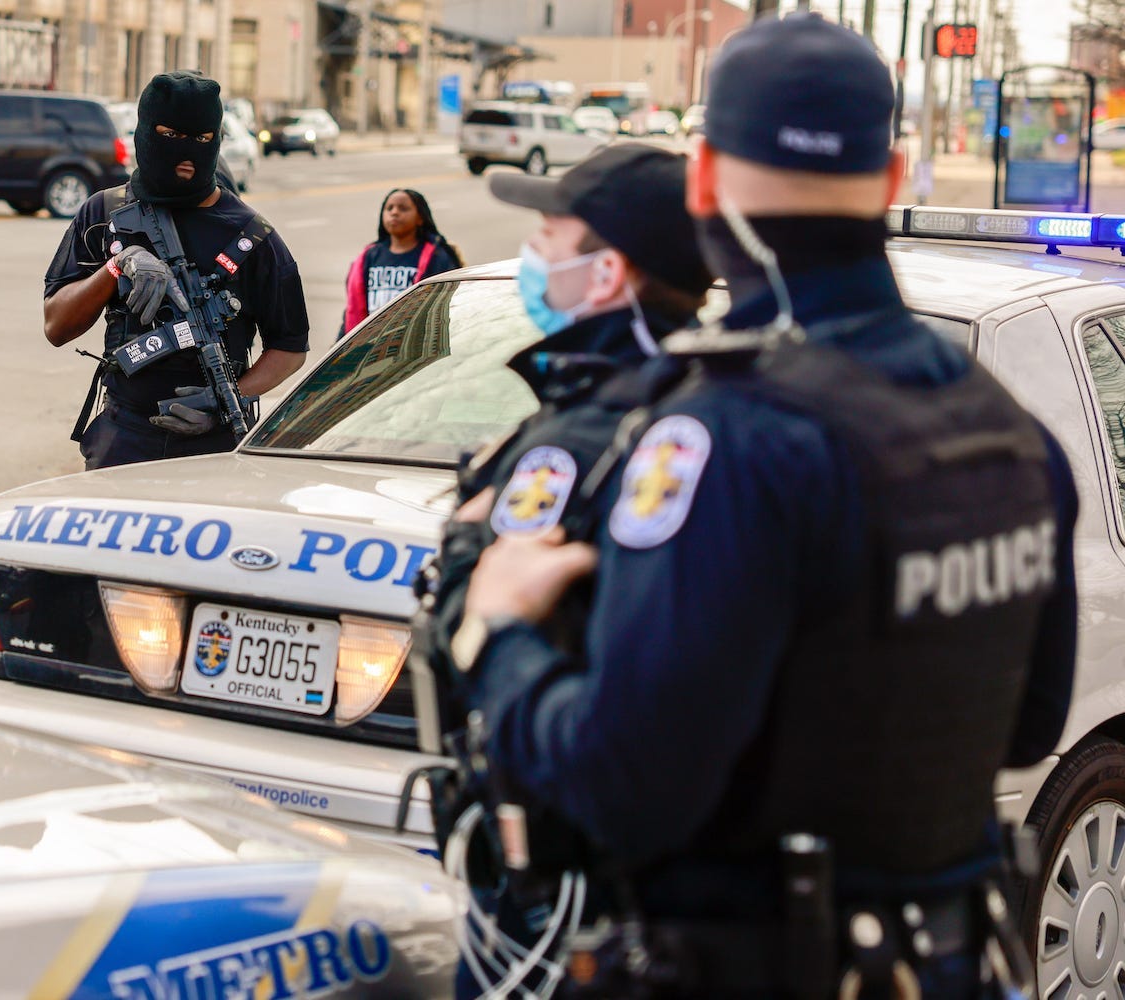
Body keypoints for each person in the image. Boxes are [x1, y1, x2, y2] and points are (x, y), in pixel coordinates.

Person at [456, 15, 1078, 996]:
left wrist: (496, 632)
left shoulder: (728, 440)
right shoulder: (1005, 430)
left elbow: (622, 785)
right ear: (892, 178)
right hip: (943, 960)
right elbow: (1025, 726)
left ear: (703, 183)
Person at [415, 144, 711, 760]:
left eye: (549, 234)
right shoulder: (694, 395)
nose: (533, 252)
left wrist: (466, 548)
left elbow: (474, 645)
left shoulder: (580, 439)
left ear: (605, 274)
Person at [44, 71, 309, 469]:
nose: (188, 153)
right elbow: (56, 327)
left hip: (214, 444)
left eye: (203, 140)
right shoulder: (103, 213)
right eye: (170, 135)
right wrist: (116, 267)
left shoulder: (252, 236)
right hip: (124, 435)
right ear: (145, 133)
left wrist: (227, 401)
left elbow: (290, 348)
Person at [340, 187, 462, 337]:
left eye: (403, 208)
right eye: (389, 208)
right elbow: (353, 308)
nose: (394, 212)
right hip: (371, 346)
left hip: (415, 343)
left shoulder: (436, 257)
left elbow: (447, 307)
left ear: (420, 218)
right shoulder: (369, 256)